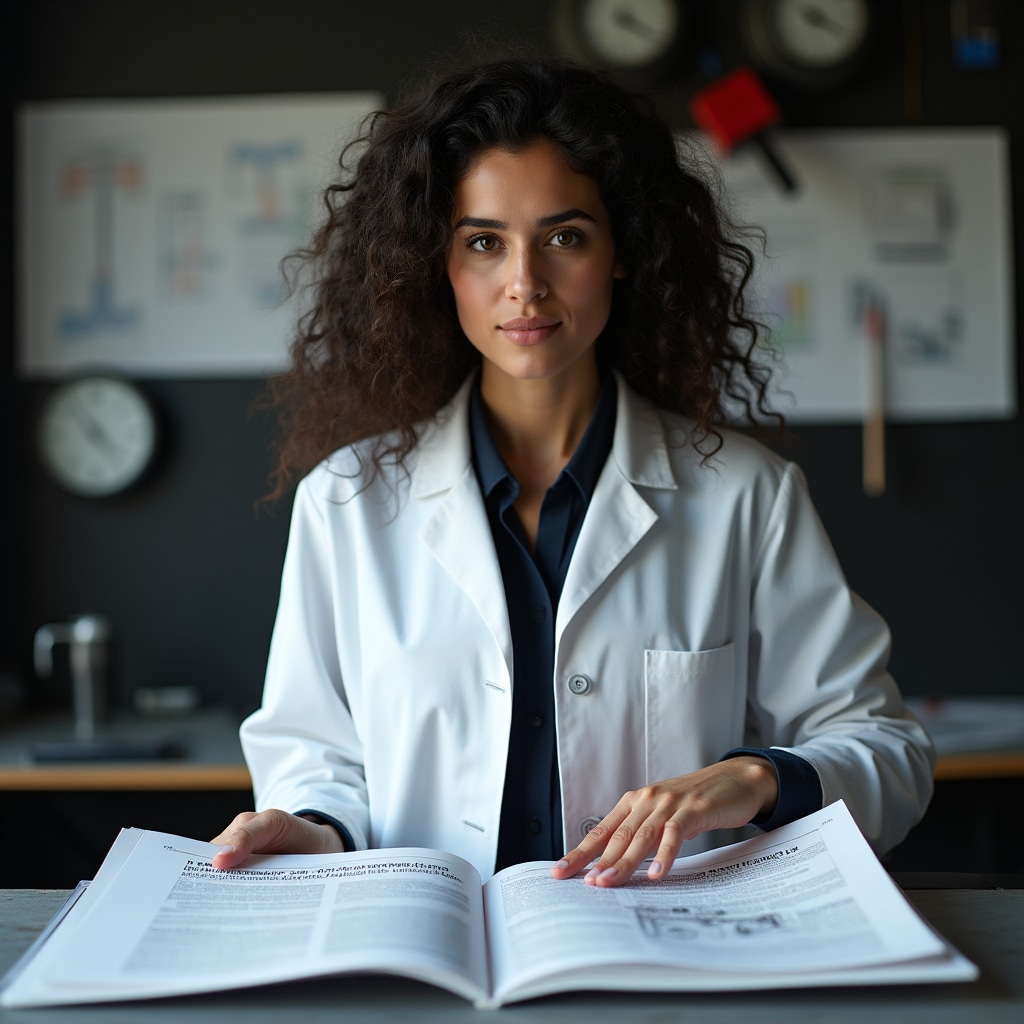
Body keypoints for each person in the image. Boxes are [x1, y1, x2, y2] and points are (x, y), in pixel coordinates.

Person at [211, 55, 934, 887]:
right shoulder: (346, 500)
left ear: (623, 251)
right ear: (435, 265)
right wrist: (311, 826)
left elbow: (891, 754)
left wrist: (756, 777)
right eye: (484, 242)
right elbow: (314, 752)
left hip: (665, 963)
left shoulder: (745, 496)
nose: (525, 285)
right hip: (428, 965)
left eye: (564, 237)